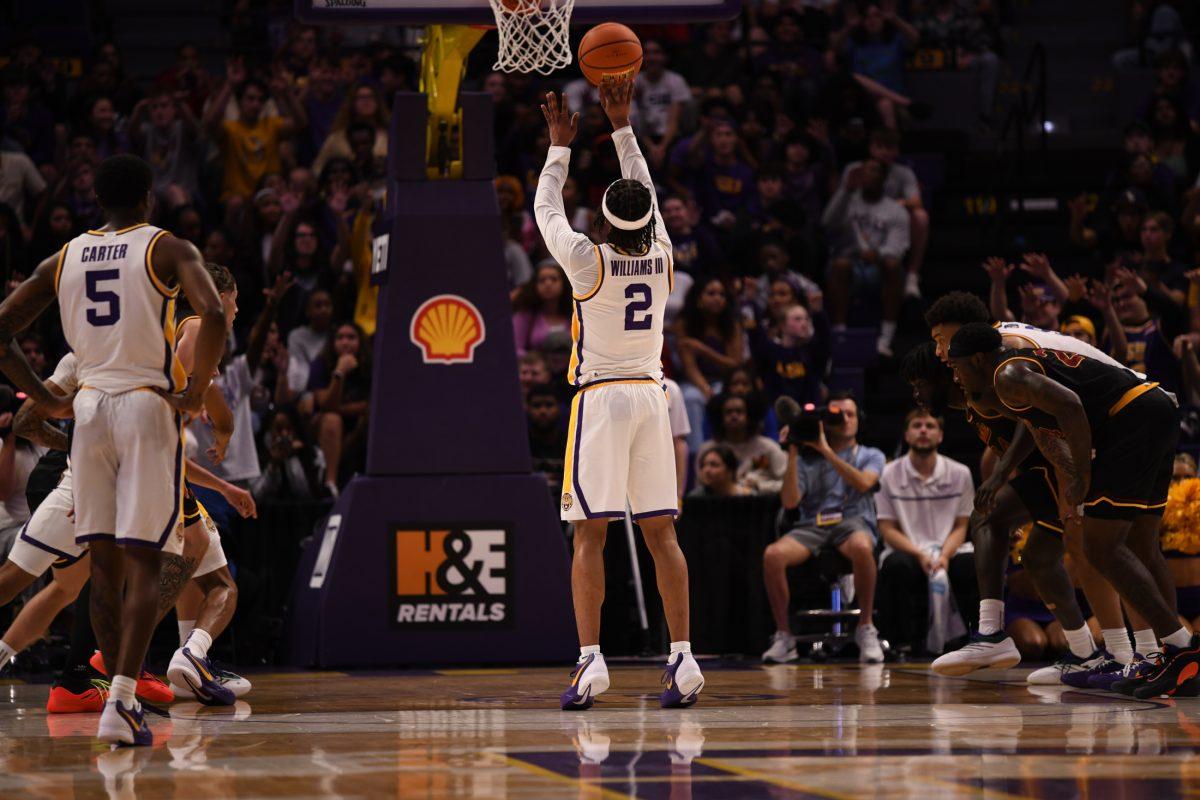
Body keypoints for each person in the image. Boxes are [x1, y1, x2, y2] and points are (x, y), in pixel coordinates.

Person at [0, 154, 226, 745]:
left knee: (100, 566)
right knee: (146, 562)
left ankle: (112, 699)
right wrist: (196, 389)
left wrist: (47, 399)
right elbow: (216, 312)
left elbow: (2, 325)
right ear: (149, 197)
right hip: (145, 404)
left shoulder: (64, 256)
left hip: (89, 407)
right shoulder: (166, 248)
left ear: (98, 200)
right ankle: (120, 700)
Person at [535, 77, 703, 709]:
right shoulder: (662, 255)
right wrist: (622, 126)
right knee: (663, 536)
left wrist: (560, 148)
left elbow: (546, 212)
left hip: (602, 399)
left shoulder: (587, 260)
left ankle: (590, 660)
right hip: (653, 396)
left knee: (590, 535)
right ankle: (684, 659)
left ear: (605, 219)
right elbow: (649, 198)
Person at [947, 322, 1199, 699]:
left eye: (956, 367)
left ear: (978, 359)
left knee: (1101, 546)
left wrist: (1081, 474)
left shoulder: (1007, 375)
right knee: (1140, 543)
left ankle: (1182, 649)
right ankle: (1169, 655)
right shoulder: (1017, 368)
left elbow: (1071, 405)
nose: (955, 375)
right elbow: (1046, 428)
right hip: (1156, 407)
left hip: (1132, 418)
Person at [920, 293, 1151, 684]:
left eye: (942, 339)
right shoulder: (994, 356)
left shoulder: (1003, 358)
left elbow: (1060, 415)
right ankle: (1102, 654)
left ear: (964, 336)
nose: (940, 351)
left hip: (1121, 418)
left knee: (1098, 547)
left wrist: (1074, 480)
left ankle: (1137, 655)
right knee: (1048, 552)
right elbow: (1038, 421)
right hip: (1111, 418)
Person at [761, 392, 886, 664]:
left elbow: (865, 484)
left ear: (858, 421)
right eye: (837, 414)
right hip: (812, 525)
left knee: (864, 547)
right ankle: (784, 636)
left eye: (850, 414)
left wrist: (826, 449)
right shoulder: (807, 459)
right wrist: (793, 449)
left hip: (852, 522)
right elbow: (791, 501)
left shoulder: (869, 454)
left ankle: (865, 627)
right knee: (773, 555)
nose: (844, 420)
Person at [875, 409, 975, 655]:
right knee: (897, 566)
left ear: (940, 435)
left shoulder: (960, 473)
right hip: (907, 548)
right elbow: (887, 530)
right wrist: (921, 555)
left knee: (974, 563)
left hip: (949, 548)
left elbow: (961, 526)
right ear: (907, 435)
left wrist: (943, 556)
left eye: (930, 426)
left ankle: (971, 638)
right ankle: (902, 641)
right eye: (917, 425)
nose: (923, 430)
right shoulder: (889, 474)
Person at [821, 158, 909, 356]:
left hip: (878, 267)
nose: (869, 175)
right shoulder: (848, 200)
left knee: (894, 266)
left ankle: (886, 337)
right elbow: (827, 223)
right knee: (840, 265)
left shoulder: (895, 210)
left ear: (883, 178)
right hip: (850, 262)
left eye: (874, 171)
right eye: (865, 171)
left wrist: (877, 254)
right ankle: (841, 332)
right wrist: (845, 190)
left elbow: (898, 247)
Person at [701, 392, 786, 495]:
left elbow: (787, 484)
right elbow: (701, 486)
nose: (734, 415)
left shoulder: (769, 447)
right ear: (720, 417)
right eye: (728, 412)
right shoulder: (709, 449)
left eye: (739, 411)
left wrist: (760, 486)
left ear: (750, 416)